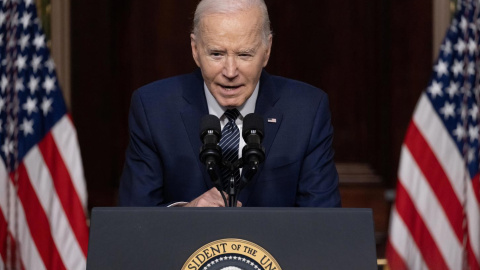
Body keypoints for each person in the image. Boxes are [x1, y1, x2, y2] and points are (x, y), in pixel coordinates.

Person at [118, 0, 341, 207]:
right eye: (216, 54)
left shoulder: (307, 110)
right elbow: (132, 223)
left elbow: (324, 223)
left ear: (266, 51)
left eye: (244, 54)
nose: (230, 71)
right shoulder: (154, 108)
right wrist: (185, 213)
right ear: (195, 50)